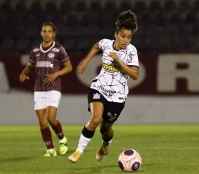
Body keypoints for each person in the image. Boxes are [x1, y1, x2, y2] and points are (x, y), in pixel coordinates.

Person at [68, 10, 139, 163]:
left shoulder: (132, 52)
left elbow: (135, 74)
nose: (126, 40)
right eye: (123, 36)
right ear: (116, 35)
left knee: (105, 130)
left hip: (118, 96)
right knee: (95, 119)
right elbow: (96, 46)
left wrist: (119, 61)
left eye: (129, 37)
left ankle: (106, 145)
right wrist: (86, 61)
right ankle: (78, 151)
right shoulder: (107, 43)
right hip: (99, 87)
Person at [19, 22, 73, 157]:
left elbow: (69, 67)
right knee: (42, 120)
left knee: (50, 118)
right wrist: (24, 73)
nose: (47, 33)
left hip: (54, 87)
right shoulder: (35, 51)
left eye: (50, 31)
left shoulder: (59, 49)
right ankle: (50, 149)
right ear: (41, 33)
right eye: (44, 31)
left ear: (54, 34)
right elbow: (30, 66)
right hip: (39, 88)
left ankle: (62, 139)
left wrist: (56, 74)